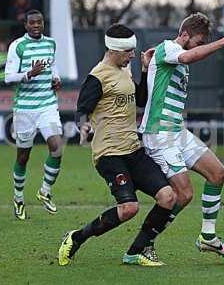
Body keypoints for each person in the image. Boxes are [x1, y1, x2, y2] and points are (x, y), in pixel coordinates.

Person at [58, 24, 177, 267]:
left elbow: (140, 100)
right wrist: (83, 126)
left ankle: (135, 252)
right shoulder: (98, 76)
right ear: (114, 50)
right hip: (109, 154)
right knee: (129, 208)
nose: (133, 55)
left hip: (133, 150)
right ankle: (76, 237)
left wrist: (144, 69)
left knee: (167, 197)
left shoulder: (125, 69)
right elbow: (82, 109)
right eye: (129, 52)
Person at [138, 12, 224, 256]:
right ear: (184, 35)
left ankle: (207, 236)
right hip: (159, 134)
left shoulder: (168, 54)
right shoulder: (167, 48)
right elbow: (188, 55)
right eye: (199, 41)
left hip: (177, 131)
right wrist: (222, 42)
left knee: (217, 174)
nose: (200, 47)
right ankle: (145, 241)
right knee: (183, 194)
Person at [5, 9, 63, 220]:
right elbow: (8, 77)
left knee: (57, 148)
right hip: (25, 109)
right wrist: (30, 73)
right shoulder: (17, 46)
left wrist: (55, 78)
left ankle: (45, 191)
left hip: (47, 104)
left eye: (40, 22)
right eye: (32, 23)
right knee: (23, 156)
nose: (36, 25)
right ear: (26, 25)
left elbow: (53, 65)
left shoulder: (51, 43)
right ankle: (18, 198)